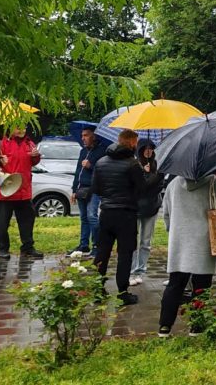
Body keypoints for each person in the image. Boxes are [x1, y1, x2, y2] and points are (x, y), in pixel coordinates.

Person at [157, 173, 216, 337]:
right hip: (204, 242)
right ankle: (197, 326)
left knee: (175, 283)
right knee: (202, 285)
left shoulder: (174, 184)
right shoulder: (214, 183)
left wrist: (174, 231)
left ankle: (165, 326)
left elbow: (166, 214)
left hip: (179, 241)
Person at [91, 129, 162, 305]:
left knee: (103, 252)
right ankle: (123, 292)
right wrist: (158, 175)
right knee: (125, 253)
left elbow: (96, 188)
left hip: (106, 212)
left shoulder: (101, 162)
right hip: (127, 214)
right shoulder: (132, 164)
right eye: (136, 142)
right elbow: (143, 187)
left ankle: (97, 289)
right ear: (131, 143)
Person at [0, 127, 43, 260]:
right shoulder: (2, 143)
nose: (22, 129)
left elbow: (34, 162)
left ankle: (27, 247)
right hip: (6, 190)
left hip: (23, 190)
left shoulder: (29, 143)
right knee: (2, 223)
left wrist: (36, 156)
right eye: (18, 127)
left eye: (23, 127)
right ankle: (3, 249)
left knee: (27, 220)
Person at [130, 139, 165, 287]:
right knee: (133, 241)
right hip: (135, 207)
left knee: (146, 241)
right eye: (145, 148)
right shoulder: (134, 165)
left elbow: (158, 186)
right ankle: (131, 271)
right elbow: (138, 187)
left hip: (151, 207)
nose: (148, 151)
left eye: (151, 148)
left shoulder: (157, 165)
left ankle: (140, 270)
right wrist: (146, 175)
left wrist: (152, 175)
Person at [70, 127, 107, 256]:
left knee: (92, 216)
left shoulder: (102, 151)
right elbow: (77, 172)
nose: (83, 138)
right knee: (84, 218)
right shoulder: (83, 151)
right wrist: (74, 189)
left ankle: (96, 245)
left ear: (94, 136)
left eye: (86, 135)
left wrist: (90, 166)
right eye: (82, 135)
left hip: (94, 189)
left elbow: (103, 172)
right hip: (81, 189)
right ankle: (83, 244)